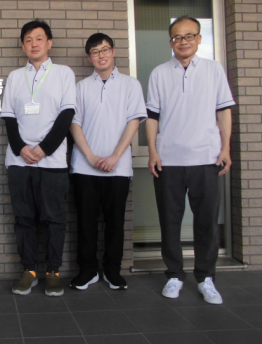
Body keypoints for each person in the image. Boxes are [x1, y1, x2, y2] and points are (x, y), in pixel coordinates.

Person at [146, 16, 235, 304]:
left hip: (206, 157)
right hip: (168, 159)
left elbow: (223, 110)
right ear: (170, 42)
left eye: (188, 36)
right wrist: (153, 151)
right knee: (169, 222)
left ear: (198, 39)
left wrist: (225, 148)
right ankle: (174, 275)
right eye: (177, 37)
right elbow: (152, 116)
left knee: (206, 222)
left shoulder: (213, 69)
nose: (182, 41)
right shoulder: (159, 73)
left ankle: (206, 278)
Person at [0, 19, 76, 296]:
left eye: (39, 38)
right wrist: (21, 148)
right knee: (24, 218)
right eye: (29, 40)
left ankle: (53, 272)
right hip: (19, 162)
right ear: (23, 46)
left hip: (53, 162)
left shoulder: (63, 73)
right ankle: (29, 271)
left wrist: (44, 149)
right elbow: (9, 117)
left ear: (49, 43)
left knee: (54, 218)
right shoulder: (14, 77)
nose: (34, 44)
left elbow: (67, 114)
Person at [69, 33, 147, 291]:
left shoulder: (130, 85)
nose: (100, 55)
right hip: (84, 167)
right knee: (85, 222)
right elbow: (74, 123)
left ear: (113, 51)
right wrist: (90, 157)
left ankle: (113, 271)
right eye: (95, 51)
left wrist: (115, 156)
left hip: (118, 168)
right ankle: (88, 270)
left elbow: (134, 122)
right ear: (89, 57)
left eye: (104, 50)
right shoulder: (80, 88)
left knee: (115, 222)